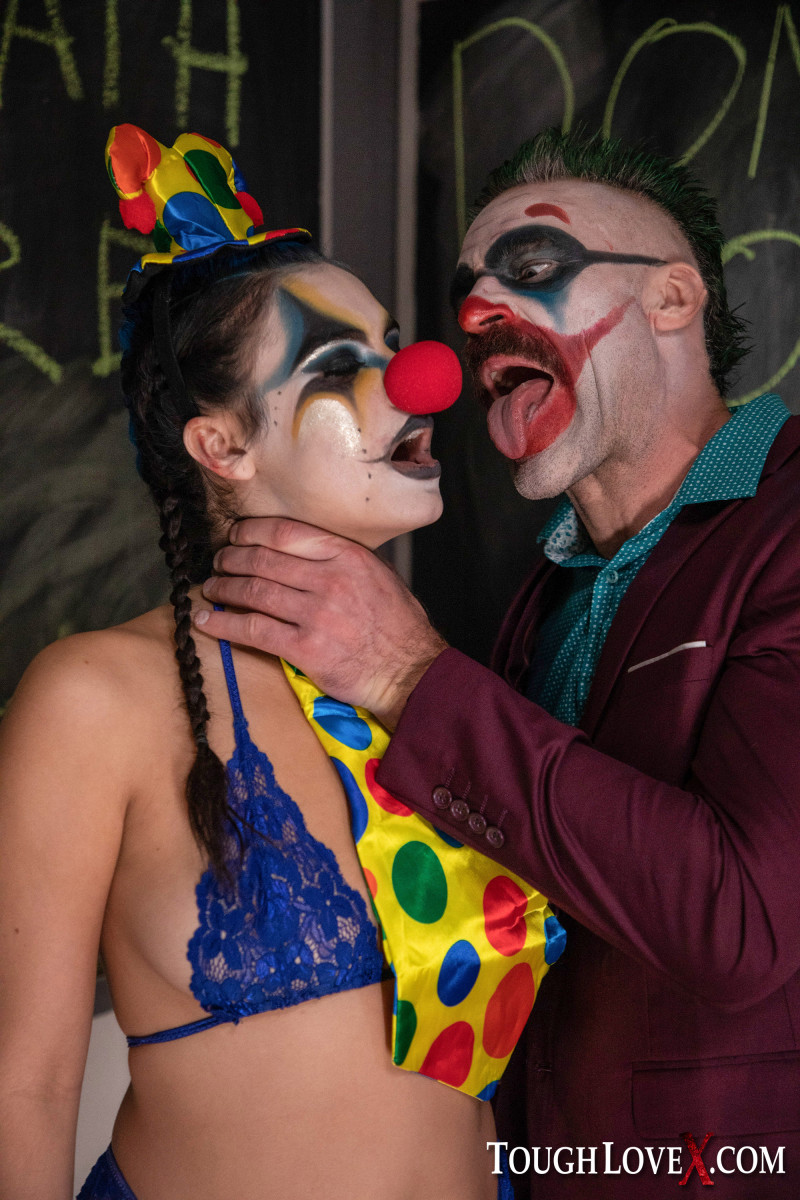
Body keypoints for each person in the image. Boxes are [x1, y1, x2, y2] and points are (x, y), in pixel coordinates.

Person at [194, 127, 800, 1198]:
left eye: (532, 265)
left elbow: (739, 922)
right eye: (466, 287)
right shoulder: (544, 593)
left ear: (671, 297)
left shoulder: (787, 523)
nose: (472, 317)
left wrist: (407, 676)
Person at [0, 125, 531, 1200]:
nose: (416, 379)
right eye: (341, 366)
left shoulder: (430, 677)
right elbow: (27, 1083)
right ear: (222, 447)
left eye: (389, 343)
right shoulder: (93, 698)